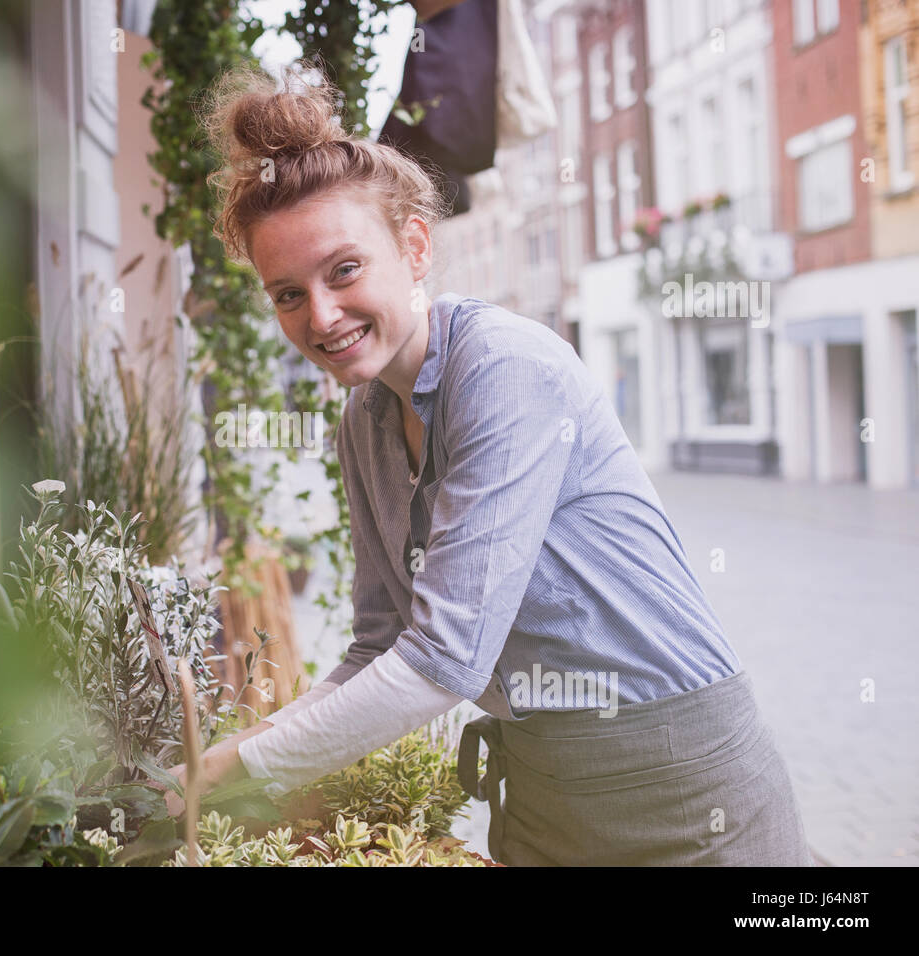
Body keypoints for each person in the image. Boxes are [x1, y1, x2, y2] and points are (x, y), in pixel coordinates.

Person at [158, 59, 815, 866]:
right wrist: (236, 750)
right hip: (541, 788)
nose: (321, 315)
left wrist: (240, 766)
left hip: (679, 783)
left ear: (416, 244)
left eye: (345, 270)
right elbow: (379, 642)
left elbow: (441, 659)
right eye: (288, 293)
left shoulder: (507, 369)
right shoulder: (363, 418)